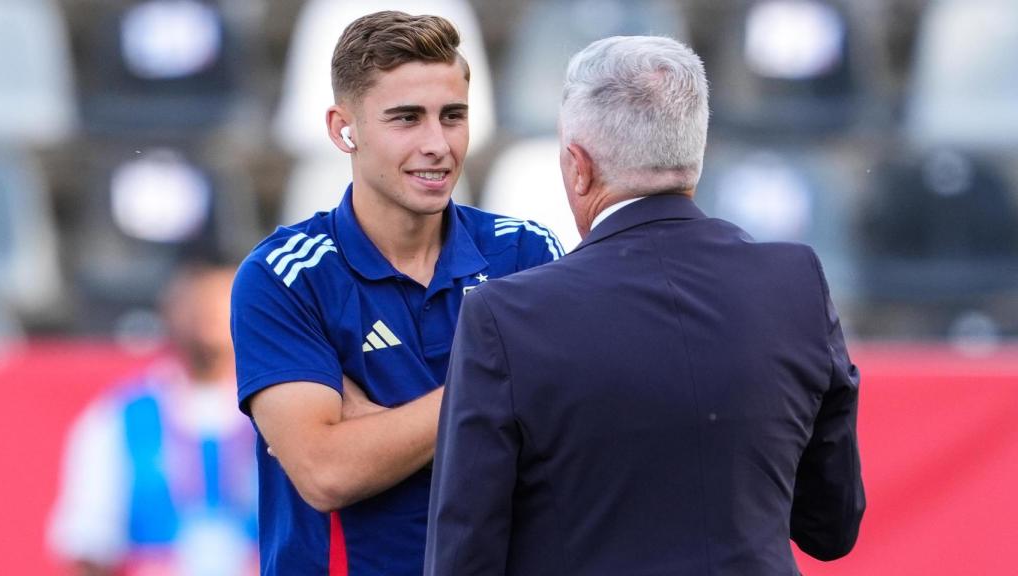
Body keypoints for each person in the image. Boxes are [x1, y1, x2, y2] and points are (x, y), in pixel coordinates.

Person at [425, 35, 865, 576]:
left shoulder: (506, 315)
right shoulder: (796, 282)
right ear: (693, 154)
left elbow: (464, 557)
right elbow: (832, 525)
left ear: (578, 167)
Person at [229, 11, 562, 576]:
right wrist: (497, 391)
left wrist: (371, 426)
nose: (437, 143)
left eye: (452, 116)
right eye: (406, 119)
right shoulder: (285, 276)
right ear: (343, 129)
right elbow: (326, 473)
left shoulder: (526, 253)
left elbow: (565, 445)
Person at [47, 262, 258, 576]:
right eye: (196, 303)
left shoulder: (279, 412)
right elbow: (87, 545)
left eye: (221, 301)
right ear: (169, 310)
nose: (208, 316)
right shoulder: (119, 417)